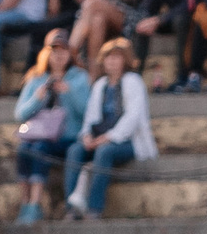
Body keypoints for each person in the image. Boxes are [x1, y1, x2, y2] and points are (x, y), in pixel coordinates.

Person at [63, 36, 153, 218]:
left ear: (125, 60)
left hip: (127, 141)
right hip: (100, 138)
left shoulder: (133, 81)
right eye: (108, 57)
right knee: (75, 150)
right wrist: (87, 135)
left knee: (105, 152)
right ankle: (72, 207)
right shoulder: (100, 85)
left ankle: (94, 209)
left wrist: (109, 137)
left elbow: (132, 118)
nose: (111, 61)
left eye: (116, 57)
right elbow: (91, 117)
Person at [12, 29, 88, 219]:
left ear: (70, 54)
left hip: (68, 137)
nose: (59, 56)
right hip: (39, 133)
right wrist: (37, 98)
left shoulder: (80, 78)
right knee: (24, 149)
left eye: (63, 51)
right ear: (47, 53)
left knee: (40, 148)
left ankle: (35, 204)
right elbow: (20, 114)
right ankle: (25, 203)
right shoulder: (36, 78)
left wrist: (69, 93)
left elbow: (87, 112)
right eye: (54, 51)